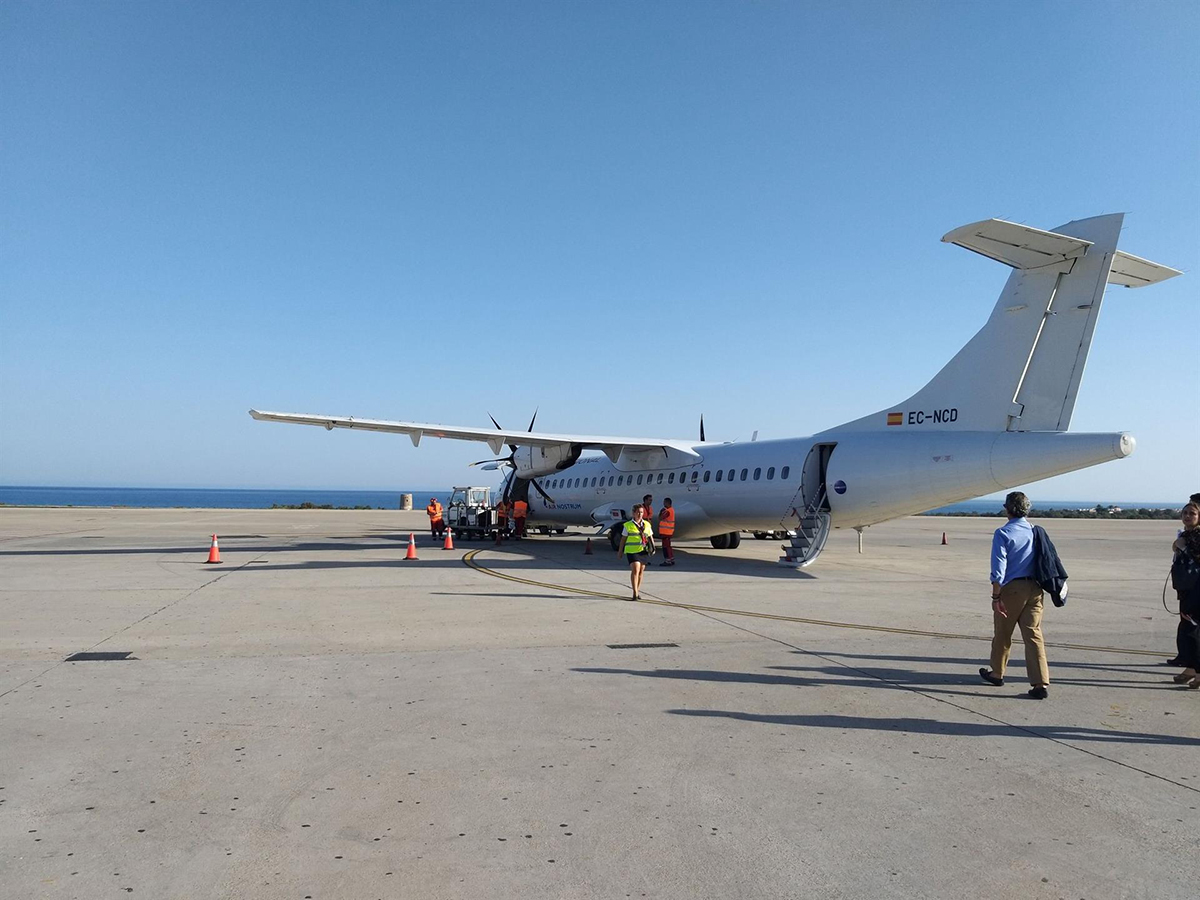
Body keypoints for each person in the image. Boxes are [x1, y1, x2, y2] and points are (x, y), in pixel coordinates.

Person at [979, 491, 1050, 699]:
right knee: (1033, 635)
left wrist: (995, 596)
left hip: (1012, 589)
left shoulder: (1003, 533)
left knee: (1003, 633)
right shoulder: (1035, 531)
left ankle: (997, 673)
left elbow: (999, 570)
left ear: (1007, 509)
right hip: (1035, 588)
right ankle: (1040, 683)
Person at [1169, 500, 1200, 689]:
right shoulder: (1188, 534)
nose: (1188, 516)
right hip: (1187, 589)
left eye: (1193, 513)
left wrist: (1183, 547)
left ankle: (1197, 671)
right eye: (1185, 513)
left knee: (1191, 630)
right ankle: (1190, 669)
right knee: (1186, 629)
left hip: (1197, 589)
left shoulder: (1196, 536)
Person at [616, 503, 654, 601]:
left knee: (641, 570)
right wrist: (620, 551)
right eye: (638, 512)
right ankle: (635, 593)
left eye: (641, 512)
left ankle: (638, 589)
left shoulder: (647, 524)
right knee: (636, 569)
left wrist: (653, 547)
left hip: (643, 550)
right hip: (632, 551)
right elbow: (623, 539)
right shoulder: (628, 525)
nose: (640, 514)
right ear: (633, 513)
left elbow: (650, 537)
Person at [657, 497, 676, 566]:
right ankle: (671, 559)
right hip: (669, 531)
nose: (663, 504)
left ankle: (668, 560)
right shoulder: (672, 510)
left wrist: (661, 511)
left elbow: (660, 518)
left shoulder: (667, 511)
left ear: (668, 503)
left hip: (665, 532)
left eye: (664, 502)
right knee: (668, 546)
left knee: (665, 547)